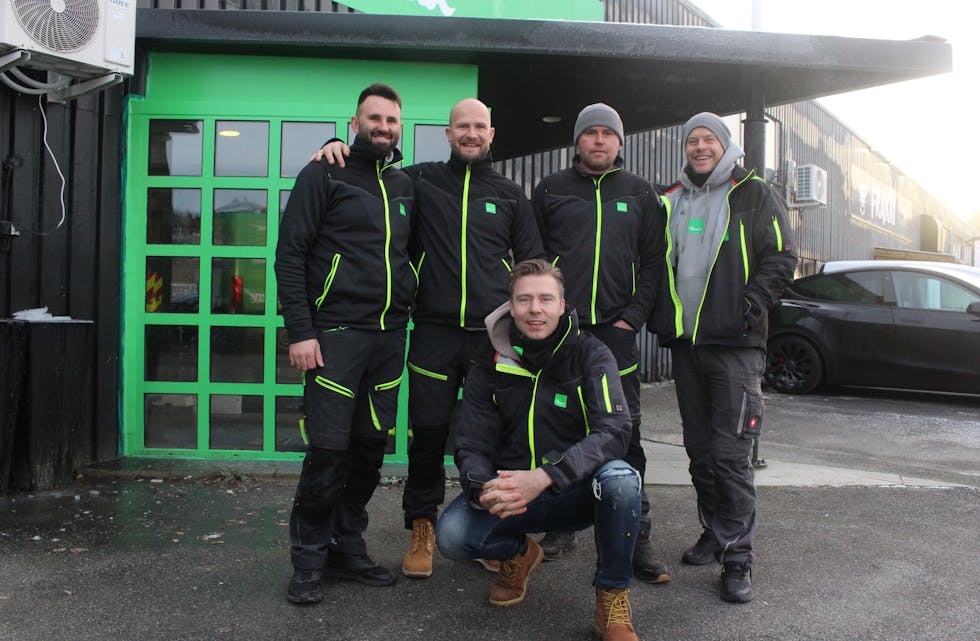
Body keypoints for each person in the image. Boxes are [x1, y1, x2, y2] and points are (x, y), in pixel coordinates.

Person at [313, 98, 543, 580]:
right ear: (448, 132)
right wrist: (334, 145)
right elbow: (371, 164)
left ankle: (491, 534)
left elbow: (532, 265)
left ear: (491, 134)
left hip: (492, 338)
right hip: (433, 335)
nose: (471, 134)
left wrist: (532, 331)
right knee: (428, 436)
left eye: (480, 126)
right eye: (463, 126)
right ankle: (422, 527)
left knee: (495, 440)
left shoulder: (509, 194)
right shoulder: (419, 181)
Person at [436, 259, 643, 641]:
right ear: (511, 306)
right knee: (451, 536)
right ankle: (519, 554)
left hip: (575, 489)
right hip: (512, 491)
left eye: (546, 299)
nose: (535, 308)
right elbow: (471, 442)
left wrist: (547, 476)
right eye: (525, 299)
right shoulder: (489, 359)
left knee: (622, 481)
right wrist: (484, 488)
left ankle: (611, 595)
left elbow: (615, 429)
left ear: (562, 305)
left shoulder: (592, 354)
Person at [275, 83, 416, 605]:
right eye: (373, 118)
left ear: (401, 128)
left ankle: (346, 547)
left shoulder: (406, 185)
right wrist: (301, 331)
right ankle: (308, 561)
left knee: (368, 453)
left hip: (388, 339)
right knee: (328, 455)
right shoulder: (322, 173)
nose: (383, 127)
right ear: (353, 122)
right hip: (333, 337)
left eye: (392, 121)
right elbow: (290, 254)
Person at [649, 112, 798, 603]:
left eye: (709, 139)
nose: (699, 146)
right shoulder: (672, 199)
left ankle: (738, 559)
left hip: (735, 347)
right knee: (701, 452)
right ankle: (715, 532)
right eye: (692, 139)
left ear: (726, 145)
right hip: (688, 346)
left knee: (732, 456)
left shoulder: (754, 193)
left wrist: (748, 305)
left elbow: (781, 258)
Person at [531, 103, 669, 583]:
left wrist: (633, 318)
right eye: (589, 133)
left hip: (616, 330)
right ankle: (560, 524)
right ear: (577, 141)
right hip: (562, 330)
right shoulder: (550, 190)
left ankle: (637, 536)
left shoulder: (641, 194)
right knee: (559, 425)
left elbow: (654, 262)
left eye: (607, 134)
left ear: (619, 143)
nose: (598, 141)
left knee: (623, 431)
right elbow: (532, 258)